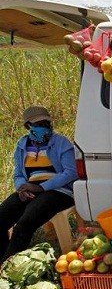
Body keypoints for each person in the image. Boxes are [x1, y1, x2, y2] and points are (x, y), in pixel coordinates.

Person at [0, 106, 78, 263]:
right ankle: (3, 255)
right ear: (27, 126)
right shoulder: (22, 146)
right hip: (30, 188)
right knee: (2, 217)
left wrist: (41, 187)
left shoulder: (61, 143)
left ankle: (7, 265)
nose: (43, 128)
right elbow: (19, 174)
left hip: (59, 191)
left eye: (46, 124)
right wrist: (22, 187)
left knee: (24, 223)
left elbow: (71, 172)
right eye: (38, 125)